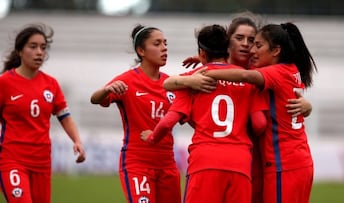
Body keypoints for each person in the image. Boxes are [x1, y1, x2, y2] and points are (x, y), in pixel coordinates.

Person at [141, 24, 268, 203]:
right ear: (228, 50)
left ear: (202, 53)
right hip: (240, 163)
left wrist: (152, 138)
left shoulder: (191, 80)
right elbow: (260, 124)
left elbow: (169, 121)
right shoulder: (248, 78)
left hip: (205, 161)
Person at [203, 22, 317, 203]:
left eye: (256, 43)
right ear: (227, 42)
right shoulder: (289, 69)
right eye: (240, 38)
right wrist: (206, 59)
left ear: (276, 50)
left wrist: (205, 72)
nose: (248, 47)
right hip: (295, 160)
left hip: (279, 163)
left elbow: (245, 78)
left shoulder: (269, 73)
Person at [0, 23, 86, 203]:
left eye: (43, 48)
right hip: (12, 160)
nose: (39, 52)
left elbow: (64, 116)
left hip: (42, 162)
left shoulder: (51, 84)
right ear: (19, 51)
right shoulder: (3, 83)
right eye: (33, 46)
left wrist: (77, 140)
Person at [90, 24, 181, 203]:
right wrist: (107, 90)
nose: (164, 48)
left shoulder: (171, 83)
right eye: (157, 43)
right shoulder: (127, 80)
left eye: (165, 43)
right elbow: (95, 99)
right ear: (141, 50)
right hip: (138, 163)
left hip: (167, 165)